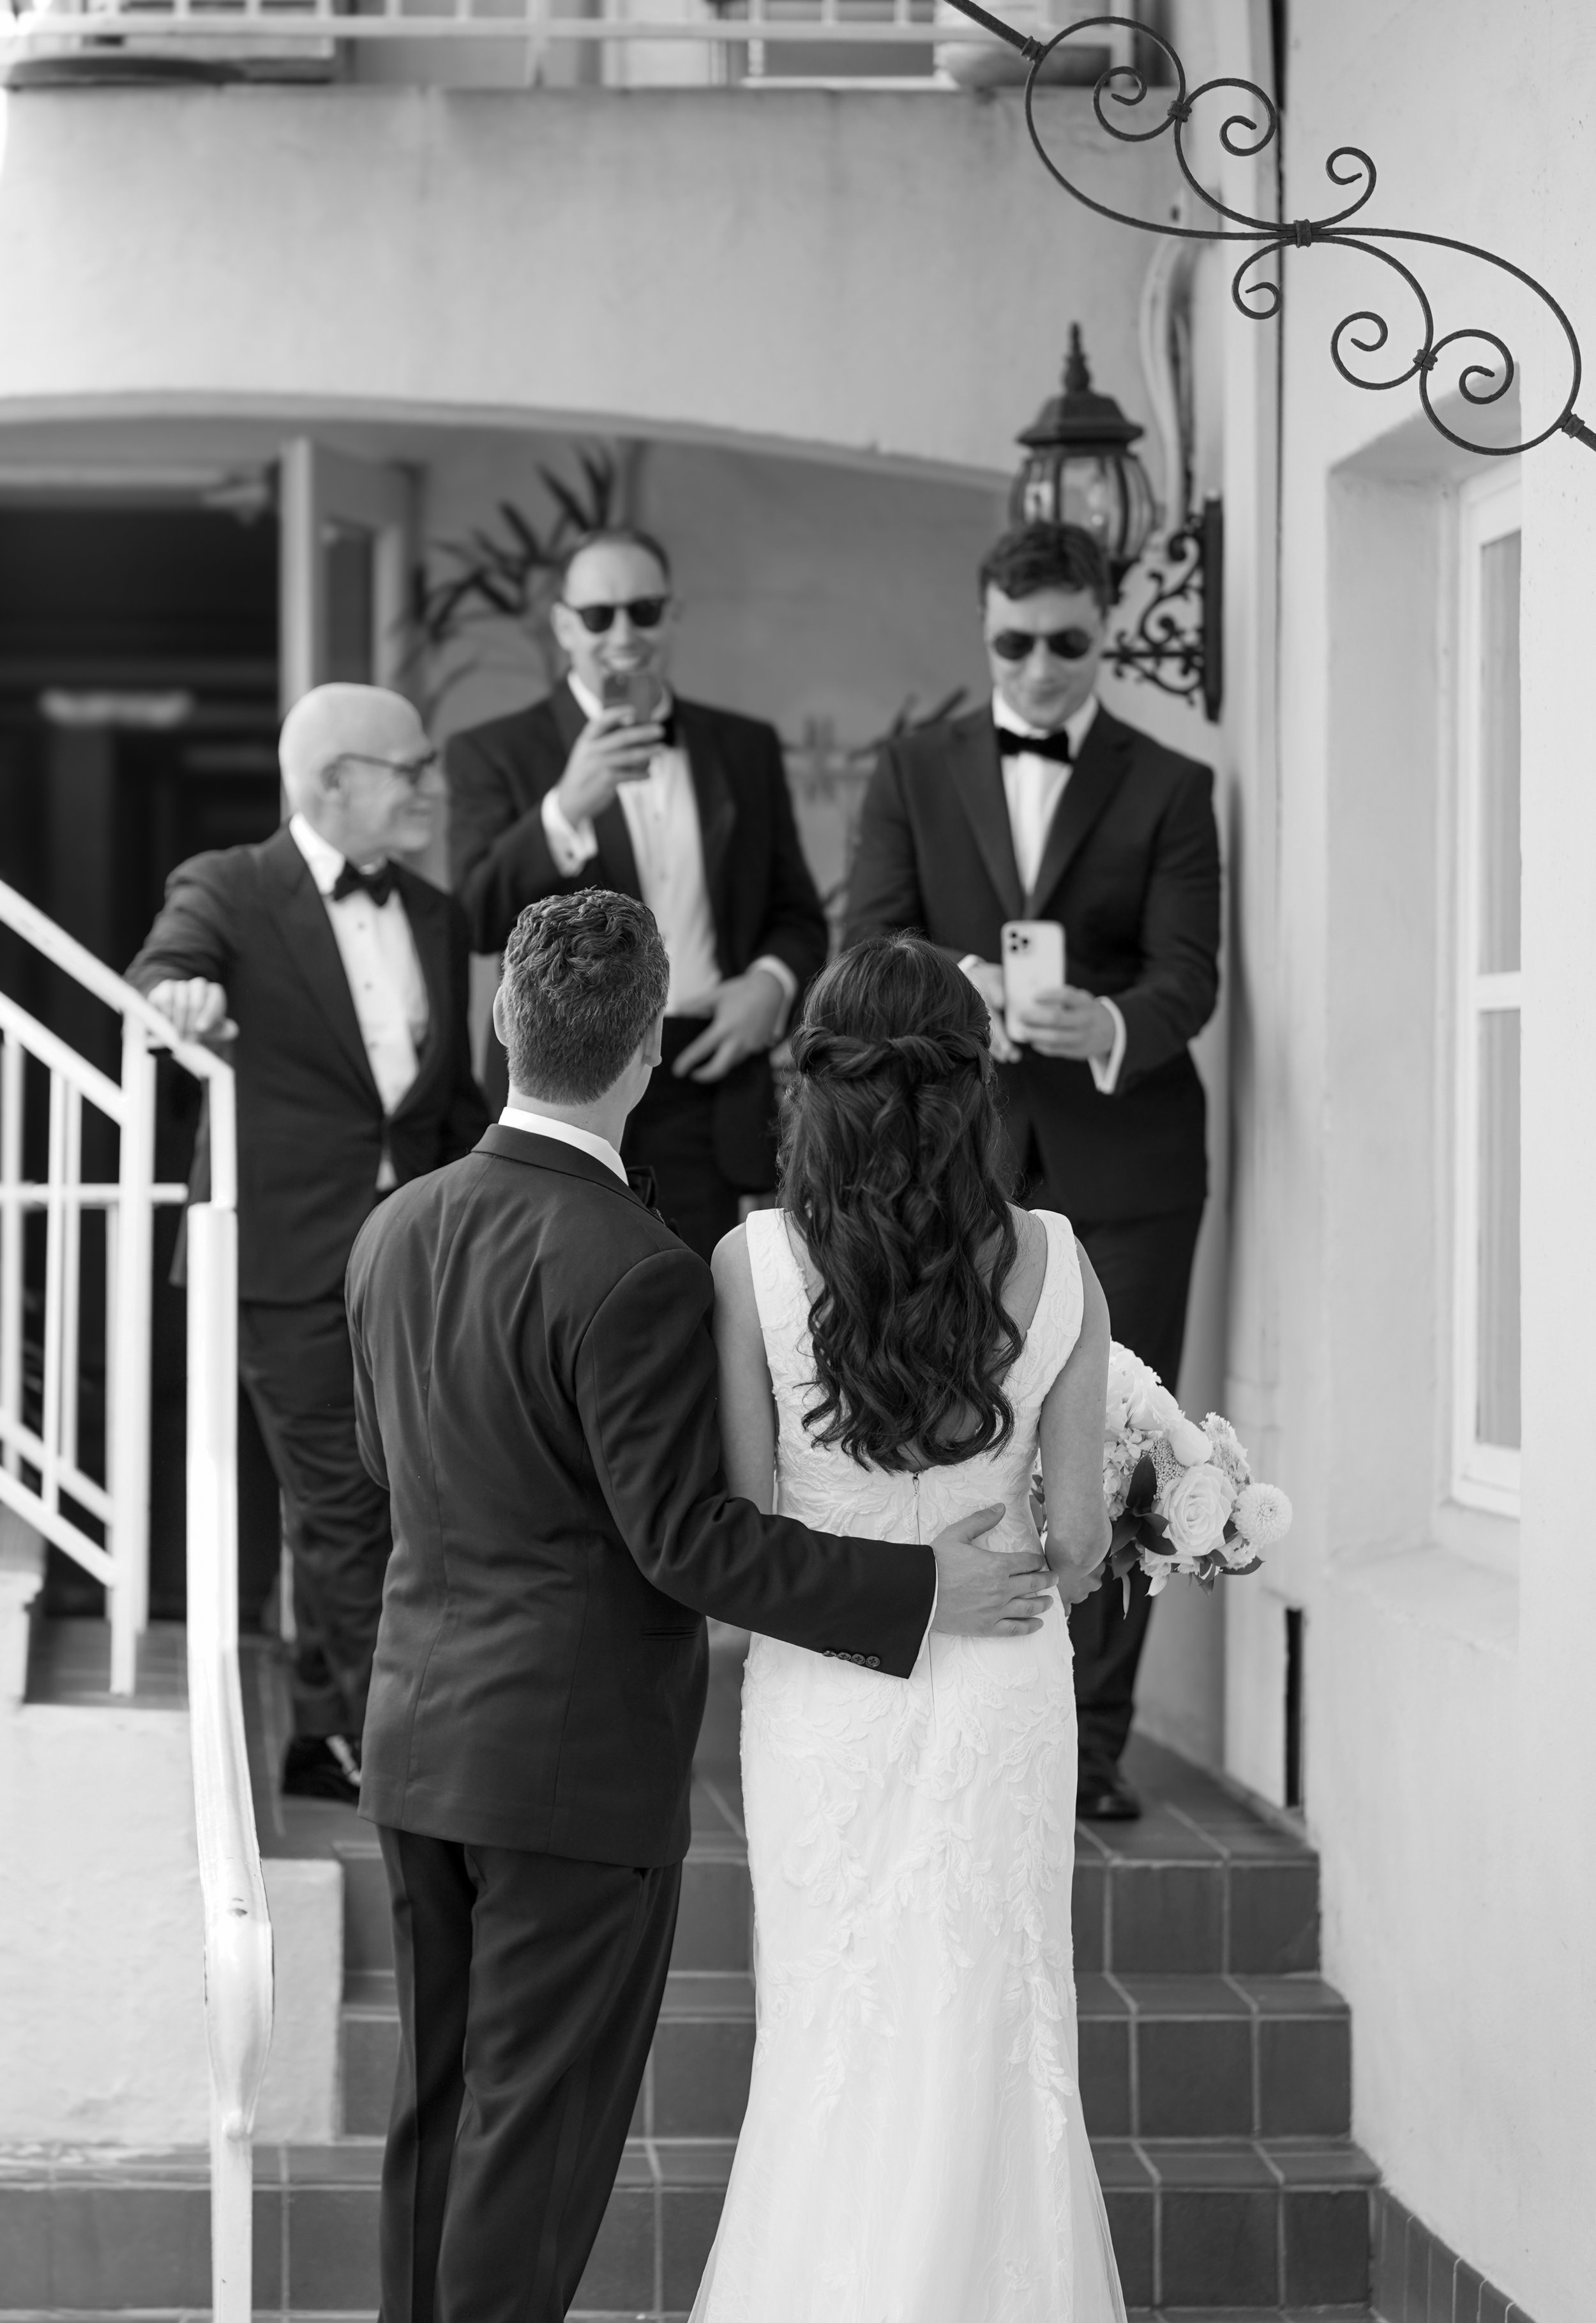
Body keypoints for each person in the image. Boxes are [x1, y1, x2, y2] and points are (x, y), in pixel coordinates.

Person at [345, 889, 1051, 2323]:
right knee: (530, 2153)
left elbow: (381, 1466)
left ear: (501, 1019)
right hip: (570, 1779)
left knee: (436, 2129)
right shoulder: (636, 1269)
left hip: (414, 1743)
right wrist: (922, 1585)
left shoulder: (392, 1229)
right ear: (649, 1050)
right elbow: (687, 1543)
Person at [691, 934, 1122, 2321]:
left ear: (813, 1083)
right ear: (975, 1085)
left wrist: (878, 1555)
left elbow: (745, 1526)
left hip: (823, 1690)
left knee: (831, 2016)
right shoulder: (1057, 1258)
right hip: (1001, 1675)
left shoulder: (748, 1261)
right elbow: (1070, 1545)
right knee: (996, 2015)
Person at [844, 520, 1221, 1822]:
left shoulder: (1171, 784)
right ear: (982, 630)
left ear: (1106, 629)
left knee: (1123, 1440)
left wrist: (1106, 1022)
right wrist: (955, 984)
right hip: (955, 1153)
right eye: (1015, 642)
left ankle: (1092, 1743)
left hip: (1130, 1154)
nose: (1043, 667)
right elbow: (867, 939)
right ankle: (953, 1706)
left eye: (1068, 641)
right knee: (952, 1423)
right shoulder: (910, 768)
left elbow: (1188, 974)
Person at [128, 683, 487, 1801]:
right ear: (335, 780)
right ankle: (398, 1741)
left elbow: (442, 1098)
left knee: (414, 1487)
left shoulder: (437, 910)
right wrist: (178, 998)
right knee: (342, 1499)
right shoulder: (228, 886)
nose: (430, 784)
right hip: (289, 1257)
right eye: (410, 765)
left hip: (419, 1254)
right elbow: (159, 972)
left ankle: (332, 1724)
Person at [446, 524, 829, 1260]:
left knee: (706, 1302)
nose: (624, 632)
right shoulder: (496, 750)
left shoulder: (741, 747)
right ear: (563, 625)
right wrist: (564, 809)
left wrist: (769, 985)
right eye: (599, 615)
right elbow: (476, 915)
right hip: (569, 1076)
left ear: (672, 616)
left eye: (644, 610)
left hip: (704, 1067)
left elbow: (797, 913)